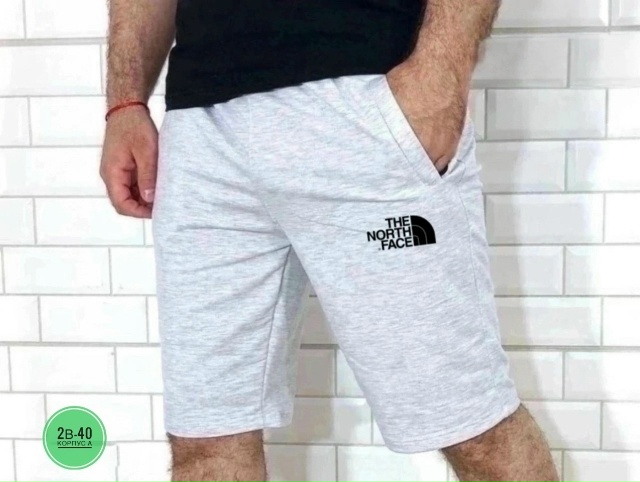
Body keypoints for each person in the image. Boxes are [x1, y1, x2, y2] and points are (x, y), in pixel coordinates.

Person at [101, 1, 560, 481]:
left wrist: (440, 71)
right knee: (206, 438)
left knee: (470, 426)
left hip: (363, 98)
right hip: (201, 132)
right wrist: (125, 104)